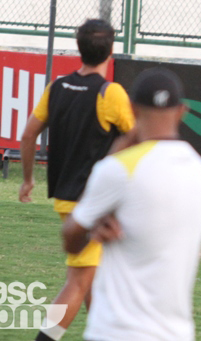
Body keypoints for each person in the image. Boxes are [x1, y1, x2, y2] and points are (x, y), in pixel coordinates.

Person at [62, 67, 201, 341]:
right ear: (182, 111)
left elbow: (71, 238)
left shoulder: (118, 167)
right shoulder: (200, 170)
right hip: (176, 333)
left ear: (132, 108)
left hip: (117, 331)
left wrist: (111, 158)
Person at [19, 19, 135, 341]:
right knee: (79, 280)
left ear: (79, 47)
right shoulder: (110, 93)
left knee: (91, 278)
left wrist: (28, 180)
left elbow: (29, 135)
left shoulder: (58, 87)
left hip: (65, 196)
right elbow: (139, 140)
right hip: (95, 202)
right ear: (111, 49)